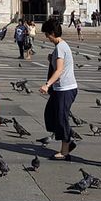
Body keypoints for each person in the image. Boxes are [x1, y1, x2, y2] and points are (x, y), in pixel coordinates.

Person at [39, 18, 78, 160]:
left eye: (47, 34)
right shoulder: (59, 47)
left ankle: (65, 150)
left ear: (52, 33)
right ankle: (68, 137)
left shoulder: (61, 47)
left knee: (61, 118)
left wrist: (47, 84)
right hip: (60, 88)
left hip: (66, 88)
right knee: (51, 115)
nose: (46, 38)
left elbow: (60, 70)